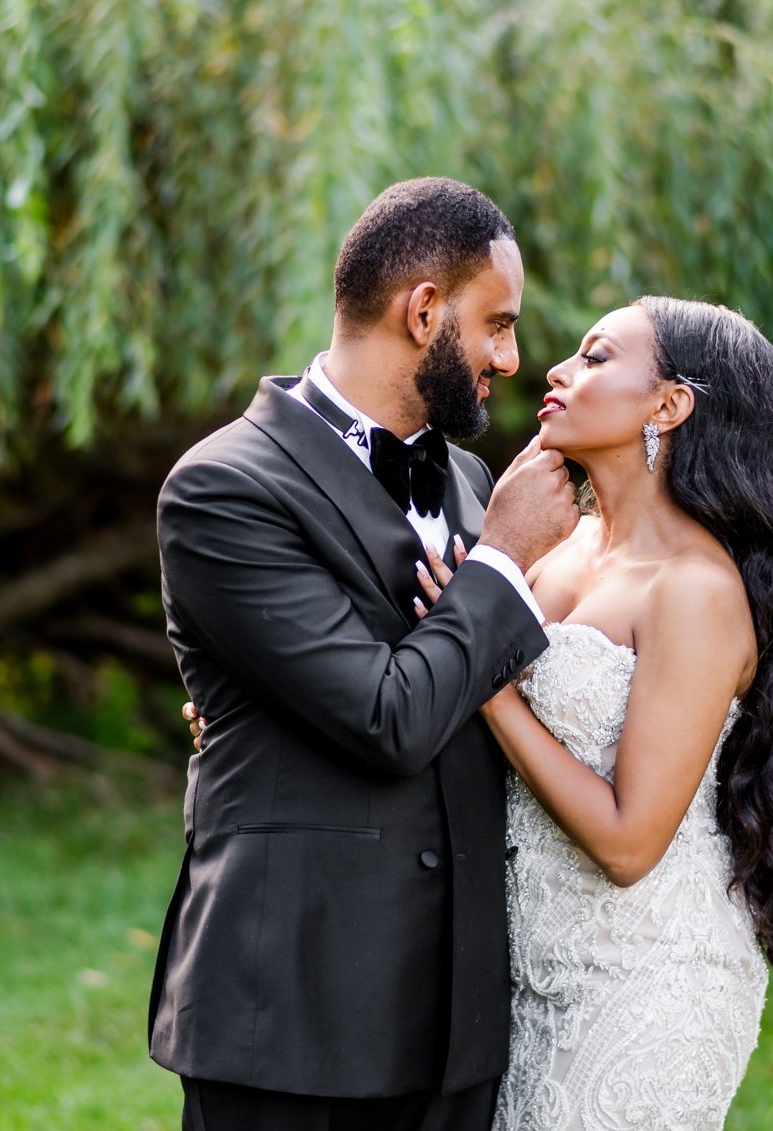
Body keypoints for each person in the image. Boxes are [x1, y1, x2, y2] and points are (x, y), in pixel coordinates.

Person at [147, 176, 580, 1131]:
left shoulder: (467, 478)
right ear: (424, 311)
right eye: (496, 324)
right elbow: (388, 715)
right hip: (294, 1020)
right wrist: (502, 562)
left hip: (456, 1026)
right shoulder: (223, 488)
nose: (510, 357)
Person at [411, 297, 773, 1130]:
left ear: (669, 404)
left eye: (597, 358)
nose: (557, 371)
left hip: (648, 980)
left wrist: (491, 687)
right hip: (529, 974)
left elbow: (630, 840)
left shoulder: (695, 589)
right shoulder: (554, 549)